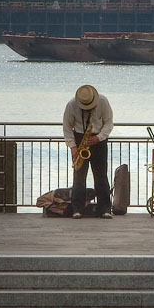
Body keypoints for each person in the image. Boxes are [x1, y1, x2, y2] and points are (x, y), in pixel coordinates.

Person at [62, 85, 114, 219]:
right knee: (79, 177)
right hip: (80, 140)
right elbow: (67, 127)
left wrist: (98, 138)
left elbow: (109, 123)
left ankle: (105, 209)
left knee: (101, 176)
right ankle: (77, 209)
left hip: (98, 140)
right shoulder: (71, 105)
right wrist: (73, 147)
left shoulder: (103, 101)